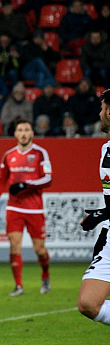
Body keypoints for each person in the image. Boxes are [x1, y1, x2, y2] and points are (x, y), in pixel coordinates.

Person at [0, 119, 53, 296]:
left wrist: (26, 185)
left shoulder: (40, 153)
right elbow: (1, 180)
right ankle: (18, 286)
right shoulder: (9, 155)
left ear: (32, 133)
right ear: (15, 134)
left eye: (27, 129)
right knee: (14, 246)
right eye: (20, 130)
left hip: (34, 208)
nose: (23, 133)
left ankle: (45, 275)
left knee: (40, 250)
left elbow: (48, 179)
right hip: (14, 208)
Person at [78, 89, 110, 326]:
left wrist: (102, 214)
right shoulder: (105, 149)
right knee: (88, 304)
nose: (100, 113)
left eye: (102, 108)